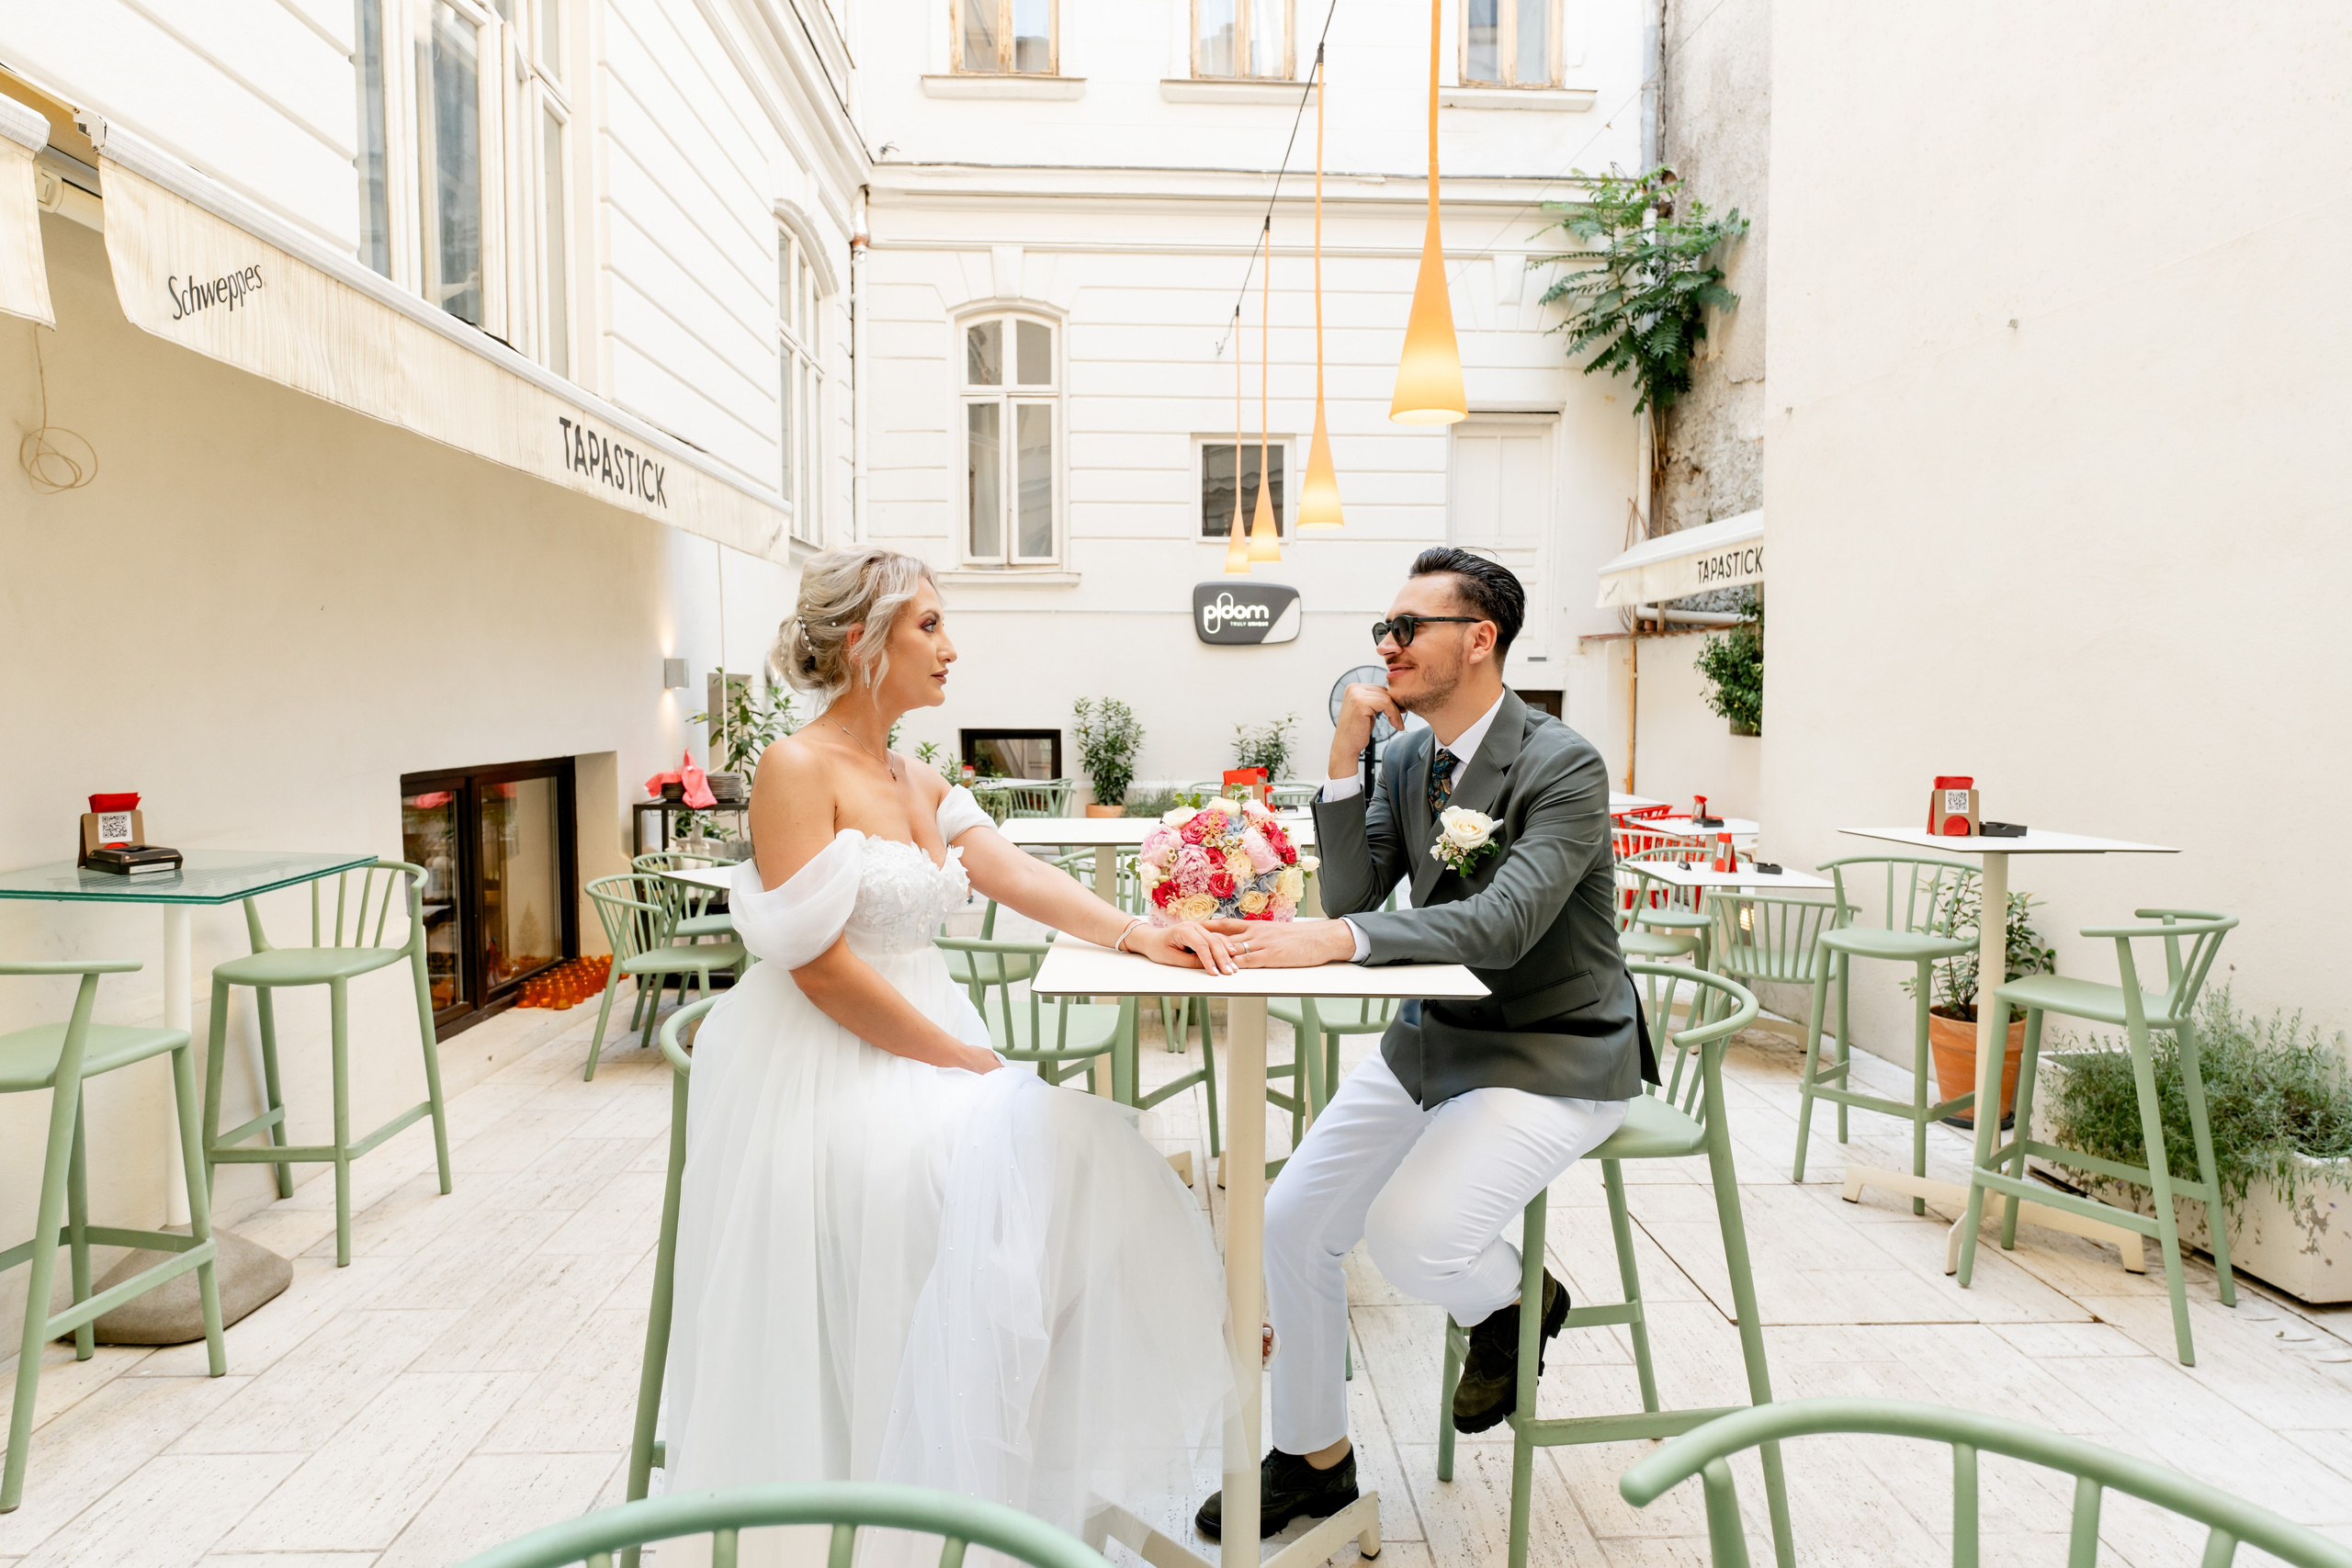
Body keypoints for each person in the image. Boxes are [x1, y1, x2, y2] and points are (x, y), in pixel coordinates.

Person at [661, 546, 1238, 1561]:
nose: (950, 647)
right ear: (862, 641)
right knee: (1009, 1171)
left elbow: (1014, 869)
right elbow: (821, 973)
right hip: (825, 1060)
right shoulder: (797, 768)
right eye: (928, 625)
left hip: (922, 1043)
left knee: (1061, 1173)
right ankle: (915, 1482)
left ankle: (982, 1465)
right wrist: (965, 1066)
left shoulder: (914, 774)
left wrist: (1134, 932)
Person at [1192, 547, 1650, 1541]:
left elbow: (1502, 927)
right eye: (1382, 631)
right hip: (1437, 1036)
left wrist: (1333, 942)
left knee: (1411, 1239)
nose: (1385, 647)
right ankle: (1313, 1457)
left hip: (1555, 1045)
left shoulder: (1559, 762)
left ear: (1478, 640)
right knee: (1289, 1221)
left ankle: (1516, 1300)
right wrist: (1345, 758)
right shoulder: (1403, 757)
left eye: (1408, 629)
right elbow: (1353, 893)